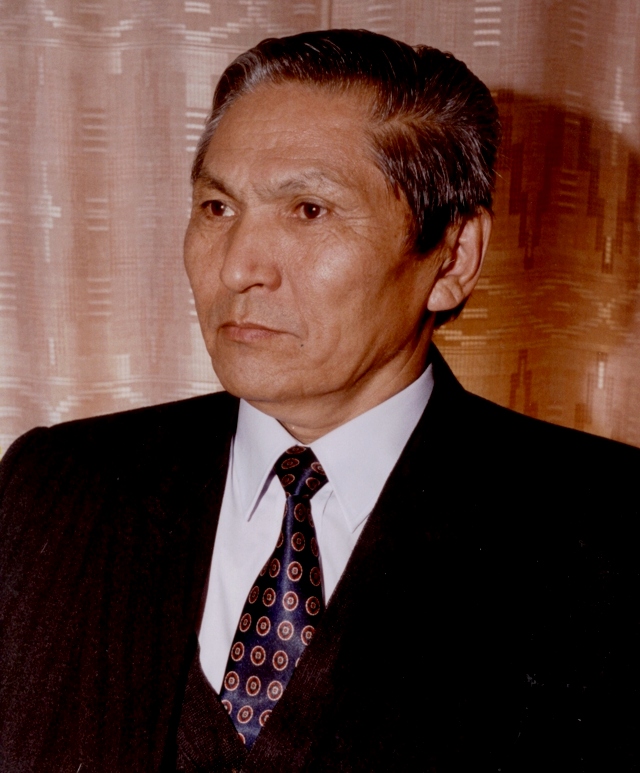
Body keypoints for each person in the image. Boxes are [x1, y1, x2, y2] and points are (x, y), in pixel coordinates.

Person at [0, 29, 638, 773]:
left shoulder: (609, 532)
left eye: (309, 210)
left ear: (452, 257)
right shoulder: (56, 487)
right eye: (217, 207)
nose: (237, 267)